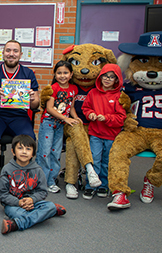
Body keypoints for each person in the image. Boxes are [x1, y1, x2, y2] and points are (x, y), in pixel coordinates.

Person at [0, 40, 39, 188]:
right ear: (3, 53)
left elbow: (36, 104)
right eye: (8, 51)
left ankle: (24, 173)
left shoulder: (28, 73)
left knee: (29, 138)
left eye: (15, 51)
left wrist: (32, 98)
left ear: (20, 54)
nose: (11, 54)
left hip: (19, 115)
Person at [0, 134, 66, 235]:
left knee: (50, 206)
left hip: (33, 203)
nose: (24, 152)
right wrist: (19, 202)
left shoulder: (38, 170)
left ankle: (16, 224)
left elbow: (42, 191)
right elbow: (3, 194)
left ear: (33, 154)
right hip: (14, 204)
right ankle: (44, 214)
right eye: (20, 148)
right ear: (13, 151)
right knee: (17, 213)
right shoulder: (7, 169)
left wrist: (32, 200)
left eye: (28, 149)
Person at [81, 64, 126, 200]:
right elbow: (86, 108)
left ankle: (104, 185)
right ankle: (90, 185)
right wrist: (90, 114)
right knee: (95, 160)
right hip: (95, 133)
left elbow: (121, 118)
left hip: (111, 135)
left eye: (112, 77)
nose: (107, 79)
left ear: (116, 80)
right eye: (105, 76)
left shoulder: (120, 96)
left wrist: (106, 118)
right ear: (100, 77)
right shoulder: (93, 93)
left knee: (107, 161)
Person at [37, 61, 80, 194]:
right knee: (44, 153)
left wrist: (76, 117)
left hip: (60, 125)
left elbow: (71, 107)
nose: (62, 76)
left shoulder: (74, 89)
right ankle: (41, 182)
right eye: (59, 73)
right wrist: (66, 118)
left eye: (65, 73)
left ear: (71, 74)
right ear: (55, 74)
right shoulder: (53, 88)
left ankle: (51, 181)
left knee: (56, 153)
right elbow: (49, 109)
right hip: (48, 123)